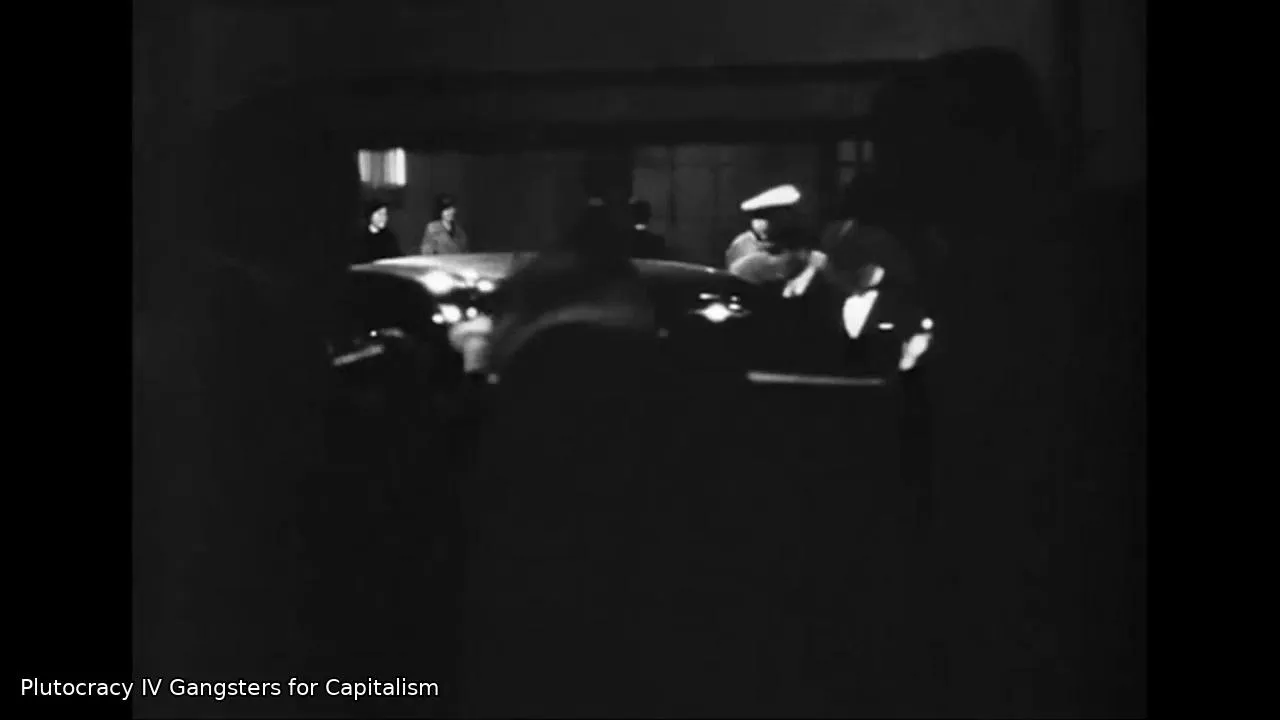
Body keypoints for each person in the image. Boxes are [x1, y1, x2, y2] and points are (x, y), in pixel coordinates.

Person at [725, 184, 828, 298]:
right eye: (761, 217)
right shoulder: (744, 246)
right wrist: (810, 266)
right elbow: (790, 292)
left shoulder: (796, 242)